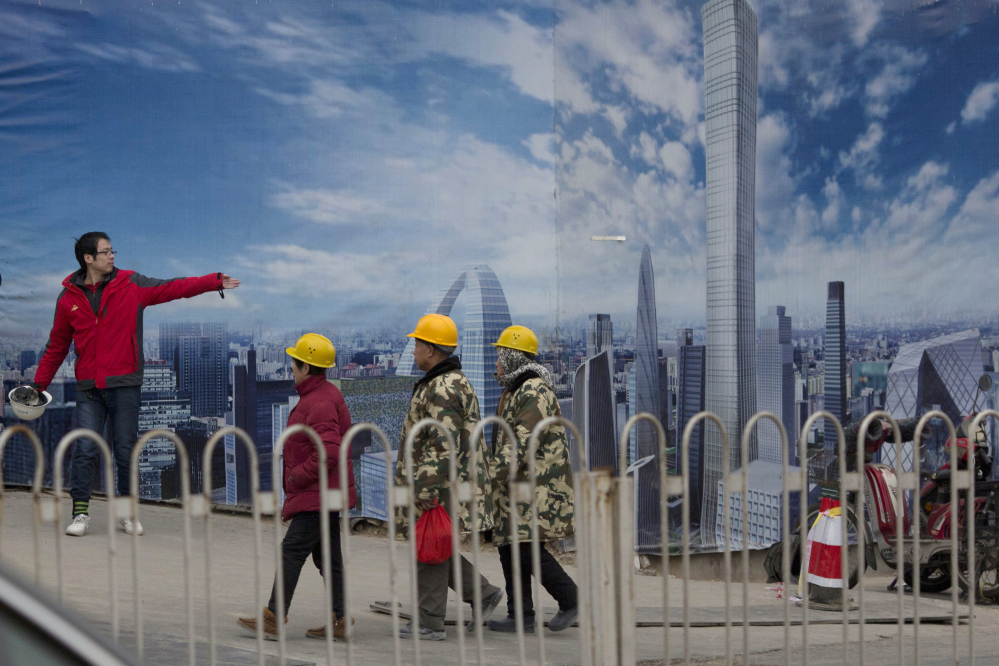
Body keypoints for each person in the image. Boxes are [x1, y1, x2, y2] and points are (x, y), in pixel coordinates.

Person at [31, 232, 239, 537]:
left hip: (125, 383)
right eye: (105, 252)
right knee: (86, 449)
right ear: (88, 259)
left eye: (112, 250)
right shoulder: (68, 299)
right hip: (89, 386)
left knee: (125, 451)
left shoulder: (132, 284)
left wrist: (214, 281)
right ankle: (79, 514)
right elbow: (57, 345)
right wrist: (38, 386)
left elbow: (174, 288)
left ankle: (126, 515)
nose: (112, 256)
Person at [237, 333, 356, 641]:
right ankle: (341, 620)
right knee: (328, 557)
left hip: (316, 494)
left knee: (291, 550)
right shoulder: (323, 395)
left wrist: (295, 478)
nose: (291, 367)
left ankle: (274, 618)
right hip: (324, 492)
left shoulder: (318, 402)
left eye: (294, 362)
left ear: (306, 366)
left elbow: (328, 452)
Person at [394, 314, 504, 641]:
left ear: (431, 349)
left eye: (417, 344)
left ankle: (430, 622)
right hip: (441, 482)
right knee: (436, 544)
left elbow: (443, 442)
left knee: (431, 547)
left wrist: (425, 489)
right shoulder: (445, 380)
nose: (414, 351)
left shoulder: (443, 387)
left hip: (438, 485)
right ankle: (482, 594)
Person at [487, 325, 578, 633]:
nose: (496, 364)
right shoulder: (515, 389)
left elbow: (521, 444)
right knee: (509, 544)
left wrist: (487, 473)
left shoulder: (533, 391)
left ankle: (571, 598)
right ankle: (520, 614)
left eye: (500, 357)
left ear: (513, 357)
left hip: (536, 487)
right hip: (517, 487)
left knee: (523, 546)